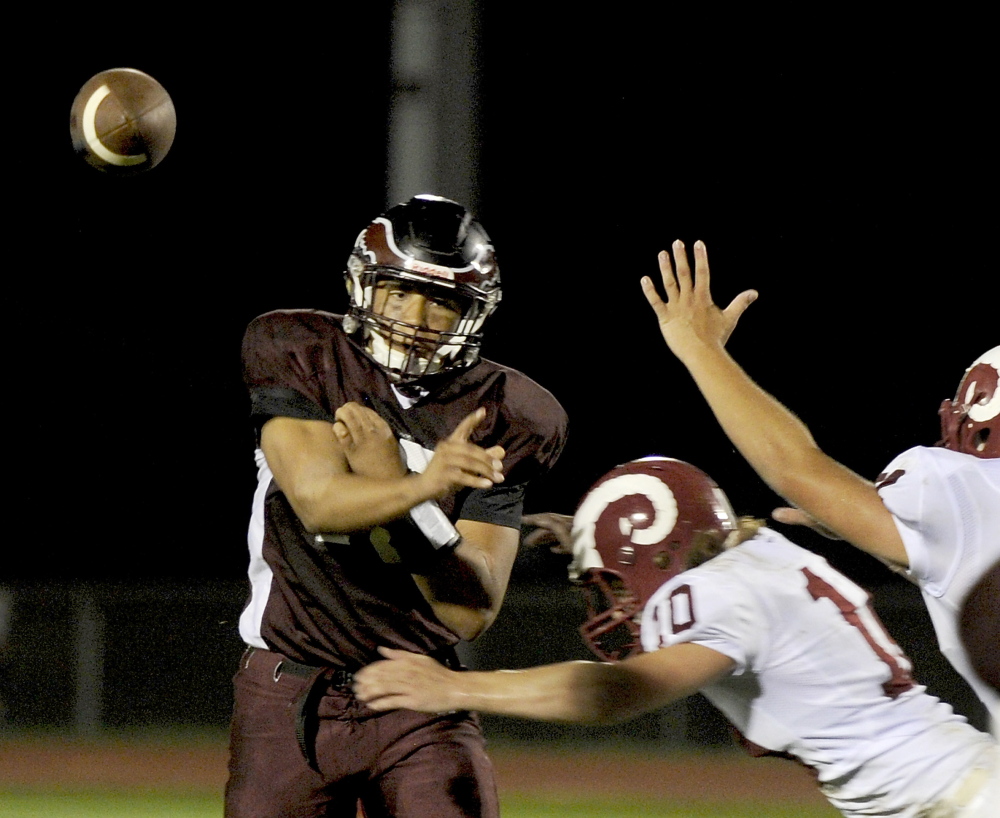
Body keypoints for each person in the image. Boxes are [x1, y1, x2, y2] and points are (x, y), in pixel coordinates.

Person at [354, 456, 998, 817]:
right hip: (958, 781)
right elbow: (689, 529)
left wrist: (452, 685)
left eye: (619, 579)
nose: (620, 601)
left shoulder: (720, 595)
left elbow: (612, 693)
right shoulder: (760, 553)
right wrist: (592, 531)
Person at [225, 194, 568, 818]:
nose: (417, 316)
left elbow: (468, 611)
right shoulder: (300, 349)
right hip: (290, 685)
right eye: (400, 291)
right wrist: (420, 484)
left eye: (442, 300)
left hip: (421, 690)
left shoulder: (511, 412)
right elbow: (319, 502)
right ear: (364, 285)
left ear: (474, 312)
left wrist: (404, 487)